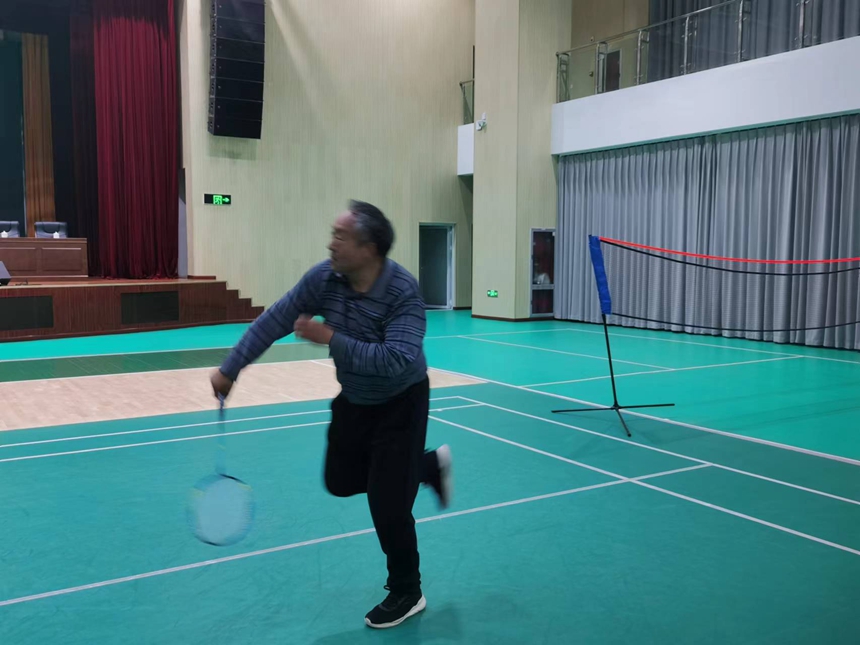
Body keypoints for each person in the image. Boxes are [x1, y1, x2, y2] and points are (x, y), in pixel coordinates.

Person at [211, 200, 452, 630]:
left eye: (340, 237)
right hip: (355, 399)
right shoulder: (325, 278)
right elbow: (277, 318)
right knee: (339, 481)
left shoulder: (402, 291)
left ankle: (407, 591)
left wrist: (330, 338)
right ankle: (425, 466)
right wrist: (232, 368)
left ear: (368, 248)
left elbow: (395, 359)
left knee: (388, 503)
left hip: (401, 402)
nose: (331, 244)